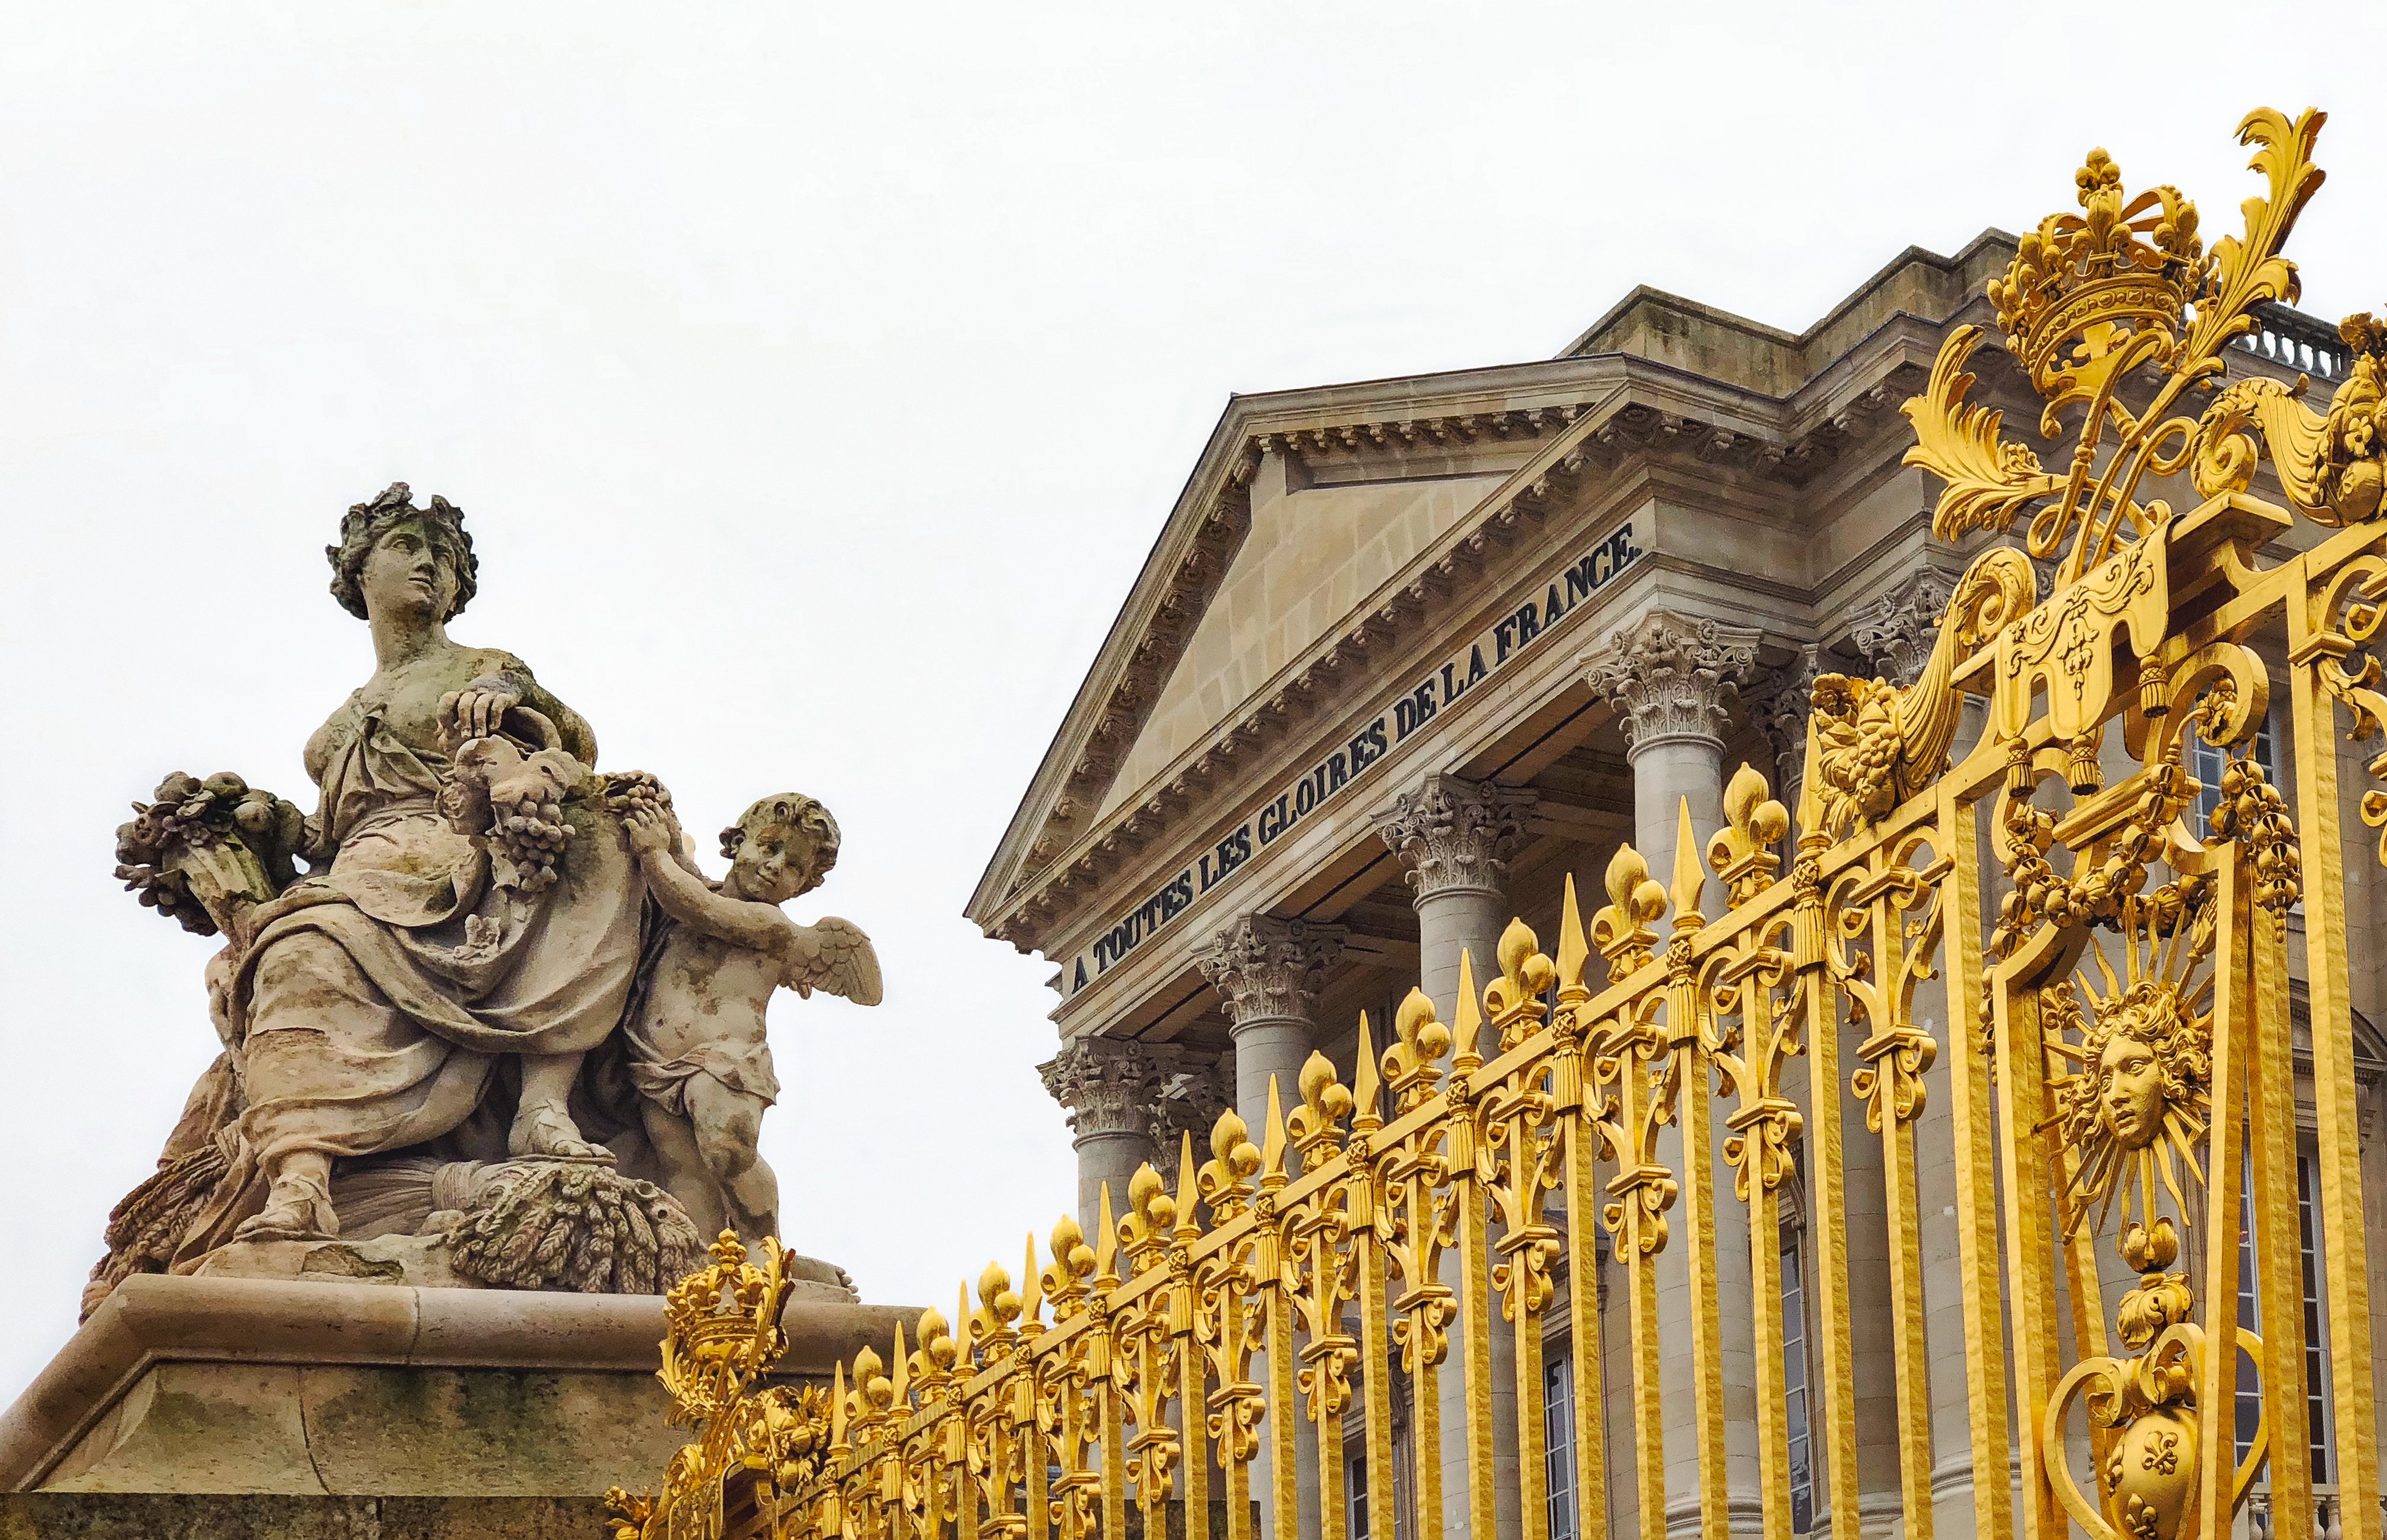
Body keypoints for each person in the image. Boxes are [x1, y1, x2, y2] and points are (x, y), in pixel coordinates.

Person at [183, 484, 647, 1250]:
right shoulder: (335, 727)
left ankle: (539, 1107)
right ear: (359, 572)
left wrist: (514, 697)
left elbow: (575, 745)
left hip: (460, 850)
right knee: (296, 947)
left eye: (445, 558)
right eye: (407, 547)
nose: (429, 565)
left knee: (316, 929)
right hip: (359, 871)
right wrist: (264, 822)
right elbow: (332, 836)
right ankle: (301, 1180)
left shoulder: (487, 666)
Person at [617, 792, 880, 1242]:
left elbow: (696, 907)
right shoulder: (703, 887)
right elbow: (691, 879)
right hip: (656, 1062)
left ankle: (765, 1244)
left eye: (795, 867)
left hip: (729, 1063)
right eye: (769, 846)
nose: (777, 866)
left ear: (803, 887)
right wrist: (660, 825)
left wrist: (652, 851)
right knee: (684, 1169)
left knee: (728, 1153)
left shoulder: (770, 925)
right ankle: (706, 1257)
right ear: (737, 842)